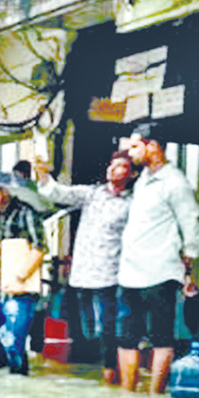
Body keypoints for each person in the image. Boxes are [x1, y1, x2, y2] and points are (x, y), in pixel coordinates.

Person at [34, 150, 136, 384]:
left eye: (121, 166)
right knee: (87, 331)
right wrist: (42, 174)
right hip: (81, 275)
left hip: (110, 275)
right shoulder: (92, 194)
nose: (113, 168)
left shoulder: (132, 204)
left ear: (131, 174)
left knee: (106, 329)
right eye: (112, 164)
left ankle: (111, 374)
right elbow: (58, 192)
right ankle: (95, 375)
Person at [117, 122, 199, 394]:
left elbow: (191, 222)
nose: (130, 153)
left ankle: (155, 396)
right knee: (127, 337)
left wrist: (190, 264)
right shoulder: (142, 179)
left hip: (161, 271)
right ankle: (126, 396)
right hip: (131, 272)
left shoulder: (175, 182)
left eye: (134, 146)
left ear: (152, 145)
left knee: (161, 336)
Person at [0, 183, 46, 375]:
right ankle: (7, 373)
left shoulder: (26, 212)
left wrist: (21, 275)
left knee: (15, 342)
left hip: (21, 289)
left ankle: (18, 381)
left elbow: (39, 247)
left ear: (4, 192)